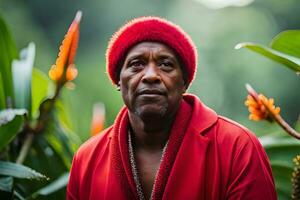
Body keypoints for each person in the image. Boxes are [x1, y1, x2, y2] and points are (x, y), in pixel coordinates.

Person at [67, 16, 277, 200]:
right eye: (137, 64)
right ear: (118, 81)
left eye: (166, 64)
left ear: (184, 82)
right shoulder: (86, 159)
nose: (150, 75)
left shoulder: (238, 148)